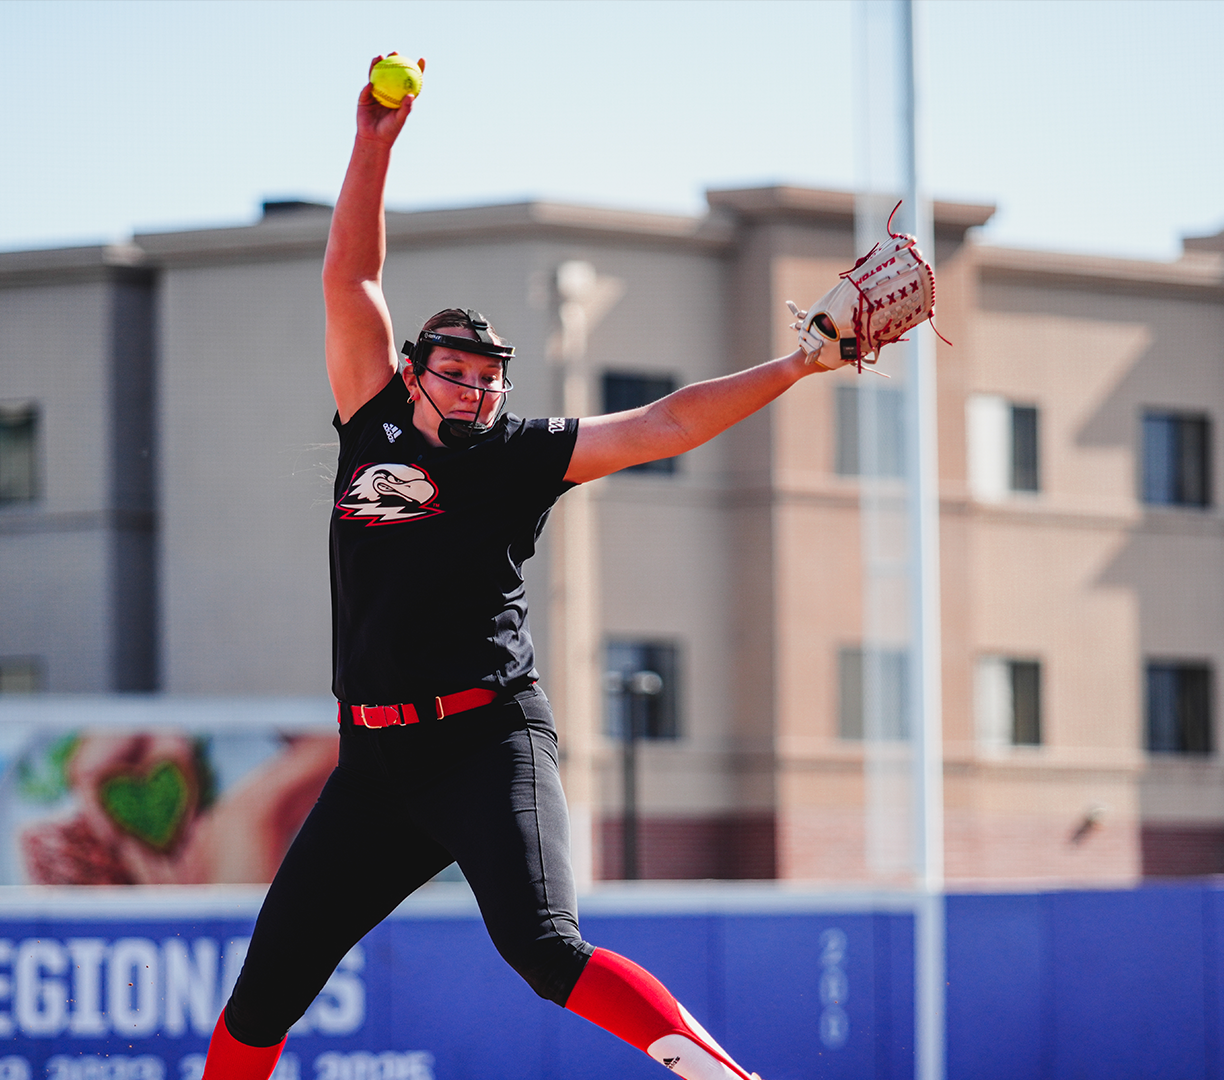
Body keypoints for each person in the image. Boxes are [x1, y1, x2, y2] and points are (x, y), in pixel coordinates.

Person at [199, 56, 847, 1080]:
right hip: (372, 767)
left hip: (486, 738)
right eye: (452, 371)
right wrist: (373, 143)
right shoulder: (370, 423)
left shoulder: (514, 461)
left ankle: (726, 1079)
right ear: (413, 373)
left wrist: (802, 361)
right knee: (263, 994)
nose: (471, 390)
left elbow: (666, 422)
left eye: (489, 379)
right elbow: (351, 278)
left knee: (544, 948)